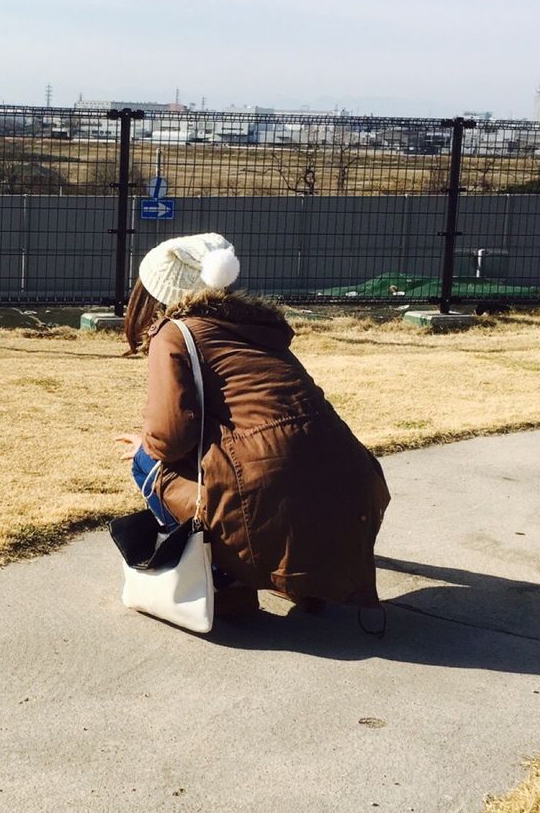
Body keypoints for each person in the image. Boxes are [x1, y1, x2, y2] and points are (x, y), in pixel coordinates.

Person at [116, 232, 390, 620]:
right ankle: (302, 578)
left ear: (158, 291)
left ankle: (224, 583)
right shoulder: (259, 328)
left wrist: (148, 445)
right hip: (354, 487)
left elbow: (171, 438)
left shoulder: (176, 332)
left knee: (146, 463)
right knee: (281, 473)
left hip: (268, 491)